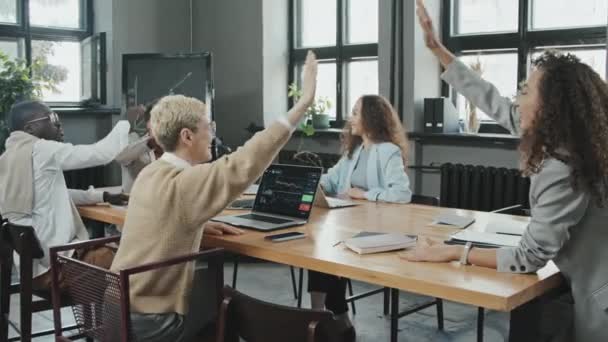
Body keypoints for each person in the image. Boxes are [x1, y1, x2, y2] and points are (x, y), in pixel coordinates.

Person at [401, 1, 608, 341]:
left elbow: (527, 258)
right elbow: (493, 101)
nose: (517, 97)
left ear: (549, 107)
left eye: (525, 90)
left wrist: (453, 251)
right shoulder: (578, 141)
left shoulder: (562, 164)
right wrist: (437, 49)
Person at [110, 51, 321, 341]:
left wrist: (198, 224)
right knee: (229, 306)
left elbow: (163, 214)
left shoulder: (151, 172)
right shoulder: (187, 183)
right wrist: (303, 104)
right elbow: (245, 161)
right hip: (151, 321)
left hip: (115, 310)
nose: (212, 134)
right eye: (209, 127)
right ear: (187, 136)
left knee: (215, 298)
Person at [308, 94, 412, 339]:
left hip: (377, 230)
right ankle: (323, 315)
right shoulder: (354, 152)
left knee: (328, 250)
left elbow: (401, 194)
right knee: (319, 250)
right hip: (349, 226)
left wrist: (365, 195)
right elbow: (332, 180)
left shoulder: (388, 151)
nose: (350, 118)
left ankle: (328, 317)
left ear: (371, 118)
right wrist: (313, 182)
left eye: (355, 112)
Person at [0, 100, 130, 290]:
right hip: (57, 270)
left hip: (32, 272)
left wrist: (102, 197)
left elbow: (52, 193)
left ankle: (100, 317)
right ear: (30, 128)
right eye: (53, 119)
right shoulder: (41, 149)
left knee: (112, 252)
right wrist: (125, 120)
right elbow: (102, 153)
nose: (60, 125)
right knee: (129, 257)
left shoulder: (8, 157)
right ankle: (120, 319)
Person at [115, 100, 164, 193]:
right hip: (134, 201)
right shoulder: (135, 140)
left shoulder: (174, 144)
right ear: (149, 122)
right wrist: (149, 143)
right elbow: (119, 157)